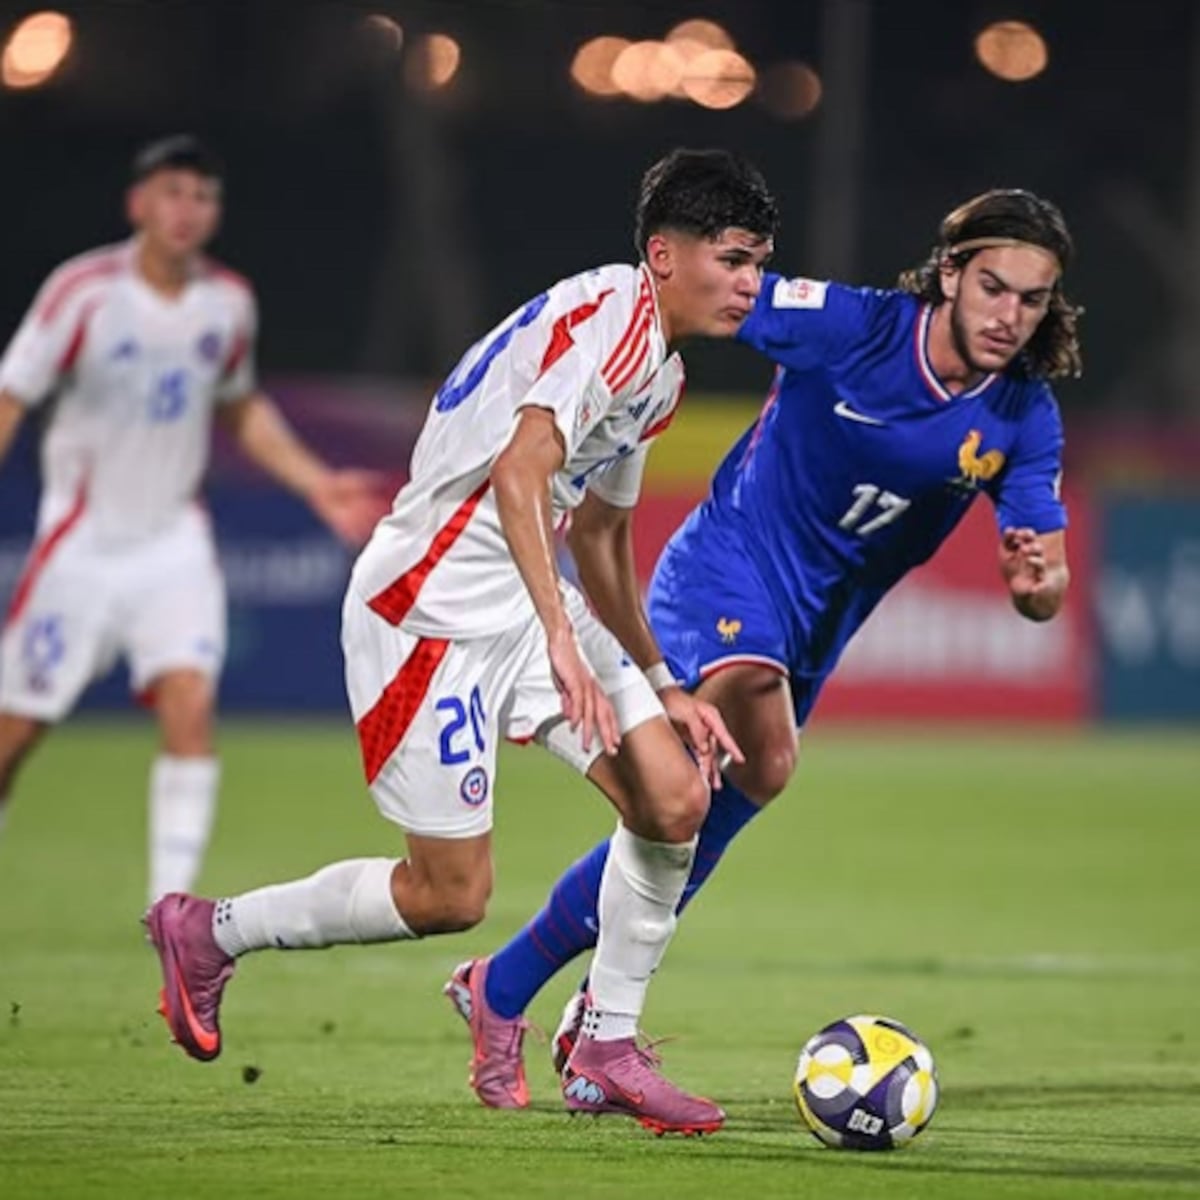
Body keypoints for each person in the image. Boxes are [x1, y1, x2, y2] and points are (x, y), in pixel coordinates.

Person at [144, 148, 779, 1136]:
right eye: (733, 258)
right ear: (664, 253)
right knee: (450, 895)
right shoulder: (614, 322)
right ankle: (210, 931)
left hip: (526, 603)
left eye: (758, 263)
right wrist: (567, 649)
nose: (750, 283)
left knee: (675, 794)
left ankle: (608, 1045)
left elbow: (604, 536)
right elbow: (522, 476)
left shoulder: (659, 371)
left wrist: (658, 676)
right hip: (426, 616)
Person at [446, 188, 1082, 1107]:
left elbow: (1043, 584)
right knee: (751, 742)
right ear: (950, 274)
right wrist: (603, 360)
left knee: (708, 802)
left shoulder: (1025, 416)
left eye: (1031, 300)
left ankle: (510, 988)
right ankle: (593, 1019)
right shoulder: (856, 327)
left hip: (819, 626)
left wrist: (1038, 584)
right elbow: (722, 299)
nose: (1008, 315)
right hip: (726, 568)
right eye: (992, 287)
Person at [0, 135, 386, 904]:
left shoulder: (227, 303)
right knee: (15, 734)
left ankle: (168, 911)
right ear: (138, 203)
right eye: (173, 193)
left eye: (203, 197)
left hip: (174, 542)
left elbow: (240, 409)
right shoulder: (83, 294)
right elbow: (13, 395)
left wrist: (317, 485)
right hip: (82, 543)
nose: (188, 210)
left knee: (190, 707)